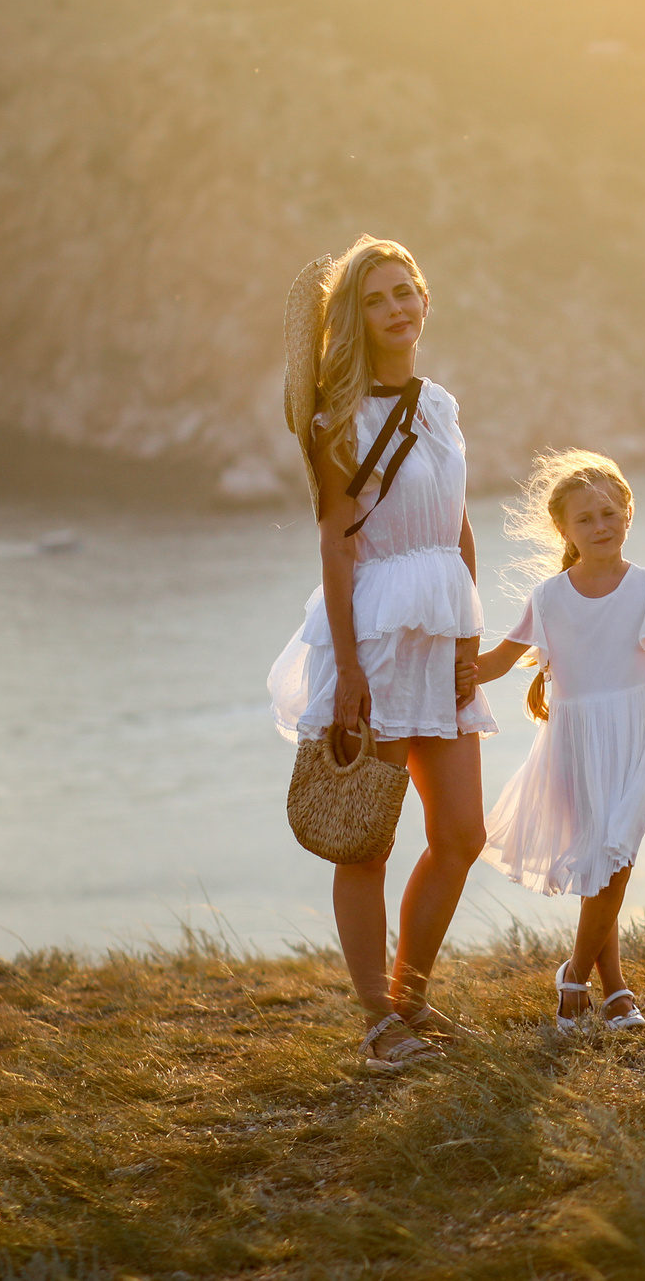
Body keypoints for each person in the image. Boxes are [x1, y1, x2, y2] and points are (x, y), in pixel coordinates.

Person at [267, 234, 491, 1072]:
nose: (396, 308)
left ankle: (412, 997)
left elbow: (459, 525)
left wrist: (470, 637)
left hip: (441, 631)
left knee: (462, 832)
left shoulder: (441, 406)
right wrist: (351, 672)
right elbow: (335, 546)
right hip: (377, 635)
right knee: (366, 838)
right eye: (375, 298)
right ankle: (377, 1024)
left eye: (405, 291)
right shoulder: (337, 420)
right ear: (354, 319)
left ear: (425, 301)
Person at [472, 451, 645, 1034]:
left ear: (628, 513)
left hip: (632, 740)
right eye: (585, 519)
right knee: (601, 867)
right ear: (564, 529)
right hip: (574, 745)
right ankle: (612, 992)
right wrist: (429, 658)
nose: (600, 526)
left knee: (616, 858)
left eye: (609, 513)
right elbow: (494, 663)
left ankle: (575, 979)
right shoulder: (549, 597)